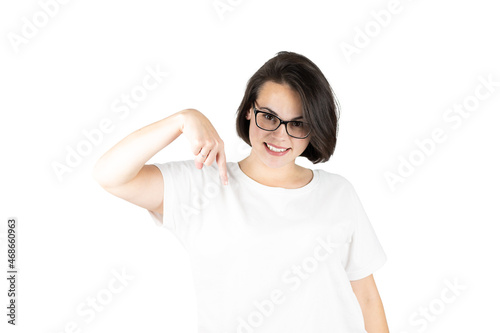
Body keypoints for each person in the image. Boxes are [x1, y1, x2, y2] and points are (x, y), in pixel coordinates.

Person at [93, 51, 390, 332]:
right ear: (249, 110)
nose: (279, 135)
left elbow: (367, 298)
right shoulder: (202, 186)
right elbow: (111, 175)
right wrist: (182, 119)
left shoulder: (338, 193)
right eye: (269, 117)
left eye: (297, 123)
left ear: (312, 129)